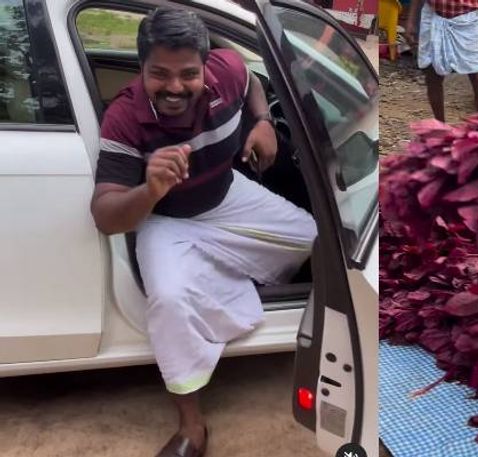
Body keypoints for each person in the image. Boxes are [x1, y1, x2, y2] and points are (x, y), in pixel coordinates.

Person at [90, 7, 317, 456]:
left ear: (205, 66)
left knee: (312, 236)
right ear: (142, 69)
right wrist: (150, 189)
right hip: (164, 220)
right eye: (160, 74)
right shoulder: (123, 118)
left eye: (187, 73)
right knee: (171, 300)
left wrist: (263, 122)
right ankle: (191, 425)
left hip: (227, 196)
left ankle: (217, 276)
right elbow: (104, 215)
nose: (175, 87)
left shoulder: (227, 71)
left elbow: (253, 82)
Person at [403, 0, 478, 122]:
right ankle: (440, 127)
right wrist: (411, 21)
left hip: (471, 19)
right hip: (434, 15)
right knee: (432, 74)